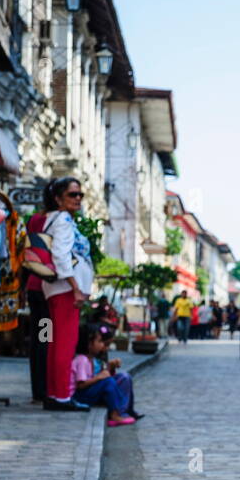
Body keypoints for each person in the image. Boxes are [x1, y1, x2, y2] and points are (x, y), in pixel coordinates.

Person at [40, 177, 94, 411]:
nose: (78, 199)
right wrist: (76, 288)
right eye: (73, 195)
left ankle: (54, 393)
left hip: (58, 289)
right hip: (65, 290)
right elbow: (61, 256)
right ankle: (62, 395)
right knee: (64, 343)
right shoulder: (62, 220)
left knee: (55, 342)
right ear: (58, 198)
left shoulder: (56, 219)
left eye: (80, 195)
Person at [71, 323, 141, 427]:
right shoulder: (82, 360)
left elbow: (101, 374)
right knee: (108, 382)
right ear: (89, 344)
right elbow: (80, 385)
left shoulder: (93, 359)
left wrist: (109, 368)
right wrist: (99, 377)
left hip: (92, 391)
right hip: (82, 396)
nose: (102, 345)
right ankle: (114, 415)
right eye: (99, 342)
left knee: (125, 377)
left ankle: (125, 410)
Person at [25, 208, 50, 402]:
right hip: (44, 289)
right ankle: (42, 388)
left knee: (39, 340)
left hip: (34, 286)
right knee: (45, 338)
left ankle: (38, 387)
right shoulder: (50, 220)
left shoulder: (34, 219)